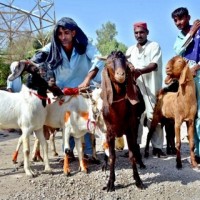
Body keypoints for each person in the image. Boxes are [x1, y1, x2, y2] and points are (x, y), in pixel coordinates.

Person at [31, 17, 104, 162]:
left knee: (85, 119)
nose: (63, 37)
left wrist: (87, 80)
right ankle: (69, 152)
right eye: (59, 34)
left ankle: (88, 153)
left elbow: (98, 59)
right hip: (62, 91)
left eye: (66, 33)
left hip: (83, 89)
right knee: (67, 120)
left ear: (74, 33)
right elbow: (37, 57)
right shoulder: (53, 47)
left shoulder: (84, 45)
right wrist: (32, 64)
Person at [126, 22, 166, 157]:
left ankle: (158, 147)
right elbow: (126, 64)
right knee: (135, 116)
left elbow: (154, 65)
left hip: (151, 87)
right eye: (136, 33)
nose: (139, 35)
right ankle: (135, 146)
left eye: (141, 32)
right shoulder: (130, 50)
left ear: (147, 32)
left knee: (153, 115)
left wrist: (139, 71)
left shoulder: (154, 46)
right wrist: (129, 66)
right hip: (135, 87)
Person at [171, 7, 200, 163]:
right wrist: (191, 32)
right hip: (187, 81)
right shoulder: (180, 37)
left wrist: (197, 67)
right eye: (175, 20)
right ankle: (196, 152)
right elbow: (178, 49)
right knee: (191, 116)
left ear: (188, 17)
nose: (178, 23)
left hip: (199, 76)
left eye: (181, 19)